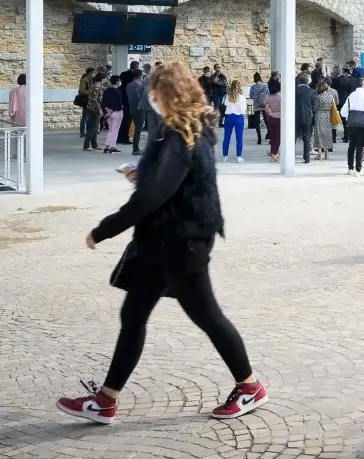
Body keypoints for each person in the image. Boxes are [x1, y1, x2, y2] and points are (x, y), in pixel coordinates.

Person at [56, 61, 267, 426]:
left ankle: (249, 386)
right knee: (133, 315)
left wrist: (105, 228)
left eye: (154, 93)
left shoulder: (179, 134)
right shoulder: (187, 129)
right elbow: (169, 179)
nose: (150, 99)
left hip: (182, 243)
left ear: (165, 95)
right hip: (161, 243)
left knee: (207, 315)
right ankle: (106, 400)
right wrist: (144, 172)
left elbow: (153, 195)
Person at [341, 79, 364, 176]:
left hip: (351, 124)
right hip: (361, 124)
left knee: (351, 147)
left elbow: (343, 112)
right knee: (359, 146)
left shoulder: (351, 96)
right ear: (363, 84)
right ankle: (358, 170)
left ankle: (350, 168)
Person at [221, 80, 247, 163]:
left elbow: (224, 105)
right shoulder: (242, 97)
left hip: (229, 117)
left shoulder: (227, 96)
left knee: (227, 137)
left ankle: (225, 156)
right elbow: (243, 110)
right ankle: (239, 157)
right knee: (239, 138)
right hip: (238, 117)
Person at [294, 75, 316, 164]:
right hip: (307, 117)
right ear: (308, 81)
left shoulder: (294, 90)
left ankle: (291, 155)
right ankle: (306, 157)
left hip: (296, 116)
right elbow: (313, 106)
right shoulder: (311, 92)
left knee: (294, 136)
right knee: (307, 137)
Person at [312, 81, 336, 160]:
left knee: (319, 133)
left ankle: (319, 153)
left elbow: (315, 108)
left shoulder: (319, 97)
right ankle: (326, 153)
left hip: (320, 115)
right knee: (327, 134)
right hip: (328, 115)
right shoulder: (330, 96)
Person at [138, 63, 159, 148]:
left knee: (151, 128)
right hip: (158, 107)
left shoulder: (147, 79)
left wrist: (142, 100)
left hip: (149, 106)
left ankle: (151, 148)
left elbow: (139, 90)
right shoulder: (162, 80)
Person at [83, 72, 105, 151]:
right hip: (93, 109)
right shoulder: (96, 86)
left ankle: (94, 145)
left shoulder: (97, 86)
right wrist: (99, 109)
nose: (105, 80)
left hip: (93, 108)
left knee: (95, 127)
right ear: (102, 79)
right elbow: (94, 99)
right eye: (104, 79)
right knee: (92, 127)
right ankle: (86, 145)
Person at [102, 75, 124, 154]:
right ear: (117, 81)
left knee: (110, 130)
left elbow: (103, 102)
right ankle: (112, 146)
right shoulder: (118, 92)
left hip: (108, 113)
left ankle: (106, 146)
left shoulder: (107, 91)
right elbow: (117, 104)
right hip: (117, 112)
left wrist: (107, 111)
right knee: (115, 130)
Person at [126, 69, 145, 156]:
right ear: (140, 76)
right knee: (138, 129)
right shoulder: (140, 86)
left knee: (136, 128)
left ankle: (136, 147)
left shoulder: (128, 85)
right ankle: (135, 148)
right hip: (139, 109)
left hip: (131, 108)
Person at [264, 77, 282, 162]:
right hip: (279, 118)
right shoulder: (281, 97)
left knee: (272, 137)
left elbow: (266, 109)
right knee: (277, 137)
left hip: (271, 117)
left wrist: (270, 113)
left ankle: (272, 152)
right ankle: (274, 154)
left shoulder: (269, 97)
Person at [249, 73, 269, 145]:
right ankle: (270, 136)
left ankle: (259, 138)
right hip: (264, 104)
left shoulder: (253, 87)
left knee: (257, 122)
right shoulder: (265, 86)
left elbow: (251, 96)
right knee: (267, 121)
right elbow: (268, 94)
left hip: (256, 105)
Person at [78, 67, 94, 137]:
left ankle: (87, 131)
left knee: (88, 116)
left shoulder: (90, 80)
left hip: (90, 99)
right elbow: (82, 90)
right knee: (85, 116)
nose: (94, 74)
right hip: (86, 100)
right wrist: (90, 92)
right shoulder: (85, 80)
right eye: (93, 73)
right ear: (90, 73)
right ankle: (82, 132)